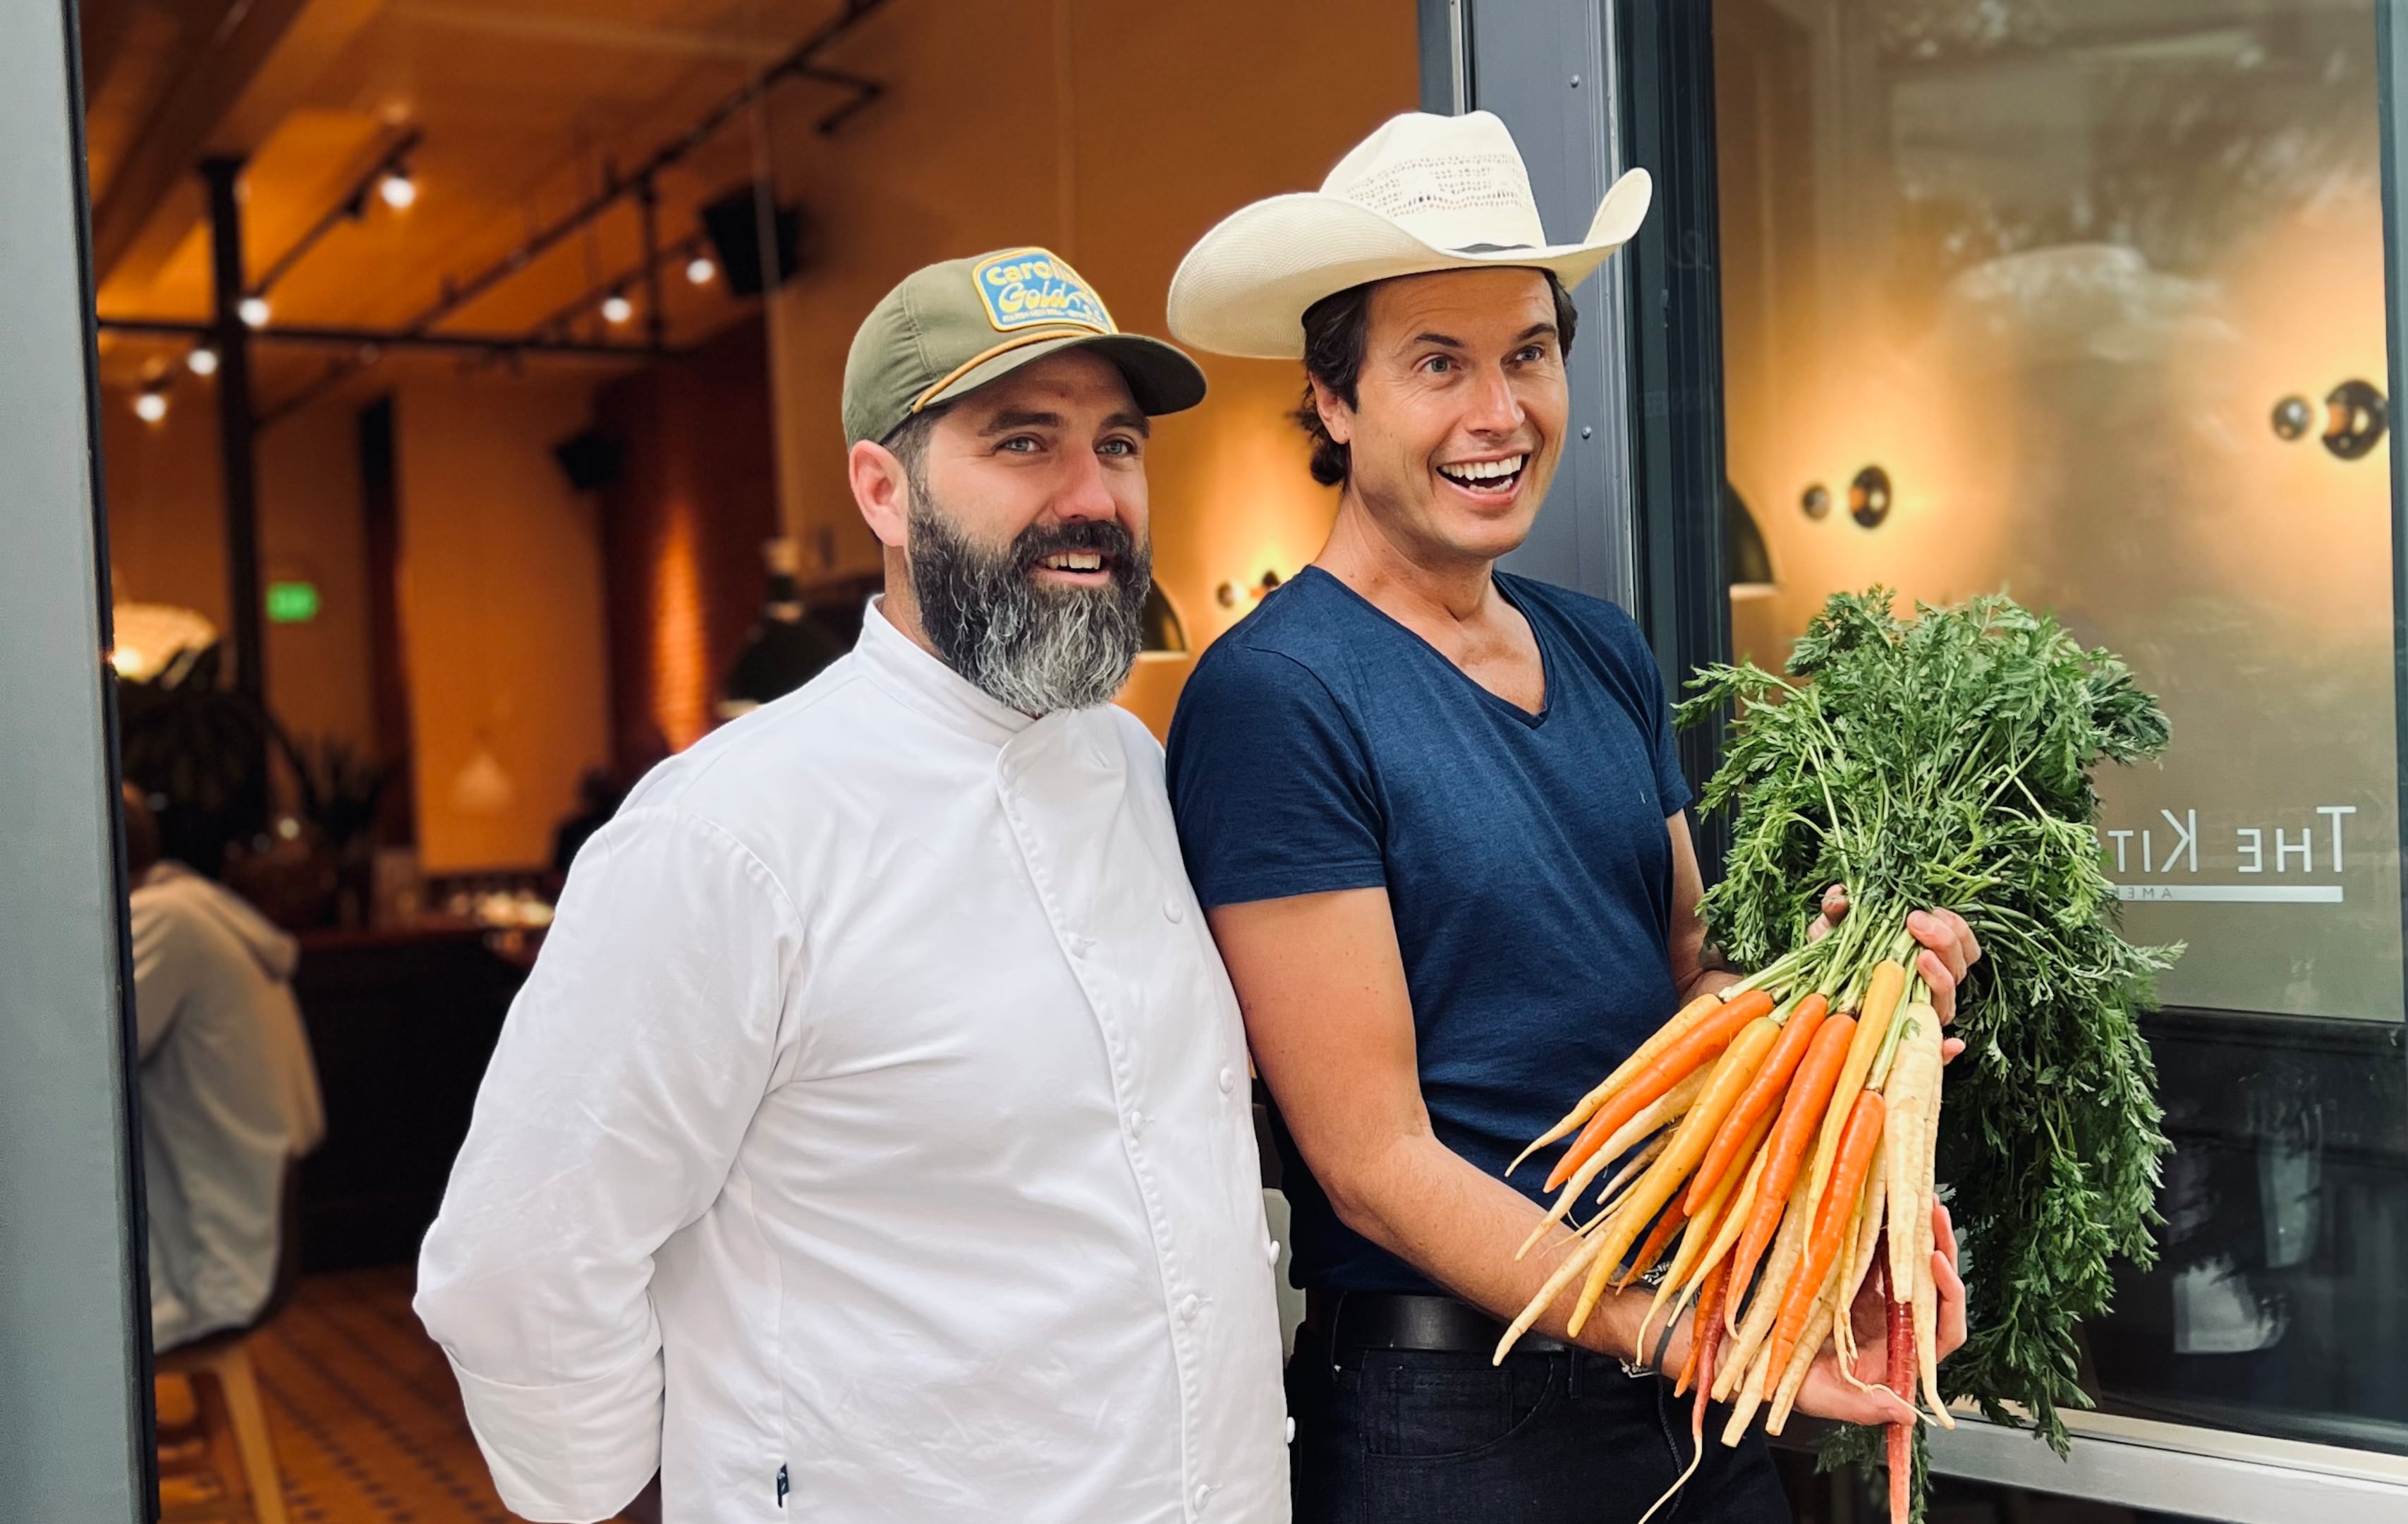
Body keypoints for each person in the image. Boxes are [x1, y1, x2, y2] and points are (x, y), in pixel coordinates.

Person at [1162, 111, 1981, 1522]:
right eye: (1438, 364)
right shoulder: (1277, 696)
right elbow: (1375, 1165)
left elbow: (1684, 982)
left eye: (1528, 353)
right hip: (1457, 1424)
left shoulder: (1600, 648)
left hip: (1681, 1377)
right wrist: (1681, 1330)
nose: (1501, 412)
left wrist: (1836, 1008)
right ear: (1335, 400)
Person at [415, 250, 1287, 1524]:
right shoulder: (726, 836)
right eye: (1024, 444)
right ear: (884, 491)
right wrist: (624, 1493)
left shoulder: (1139, 768)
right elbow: (519, 1259)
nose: (1092, 495)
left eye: (1117, 445)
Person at [125, 785, 326, 1352]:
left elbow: (89, 1064)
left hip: (214, 1261)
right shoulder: (193, 903)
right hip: (257, 1222)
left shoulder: (161, 920)